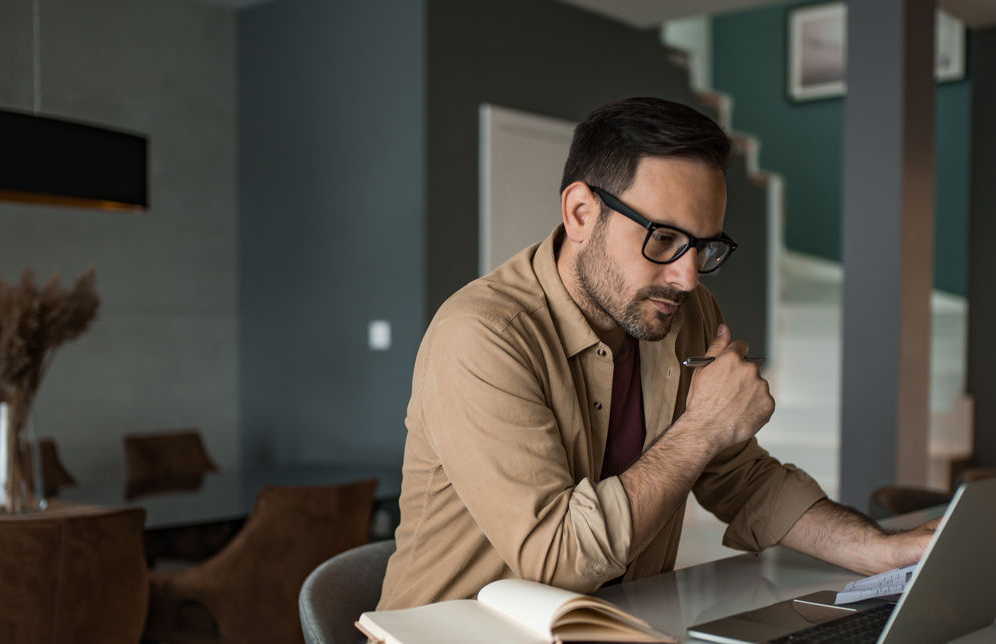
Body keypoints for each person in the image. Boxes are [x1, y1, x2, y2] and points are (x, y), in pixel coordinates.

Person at [378, 96, 933, 611]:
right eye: (663, 239)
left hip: (607, 643)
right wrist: (704, 426)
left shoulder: (685, 313)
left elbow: (741, 479)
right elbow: (558, 558)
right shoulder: (482, 337)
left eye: (703, 246)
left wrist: (881, 552)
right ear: (580, 214)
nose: (687, 277)